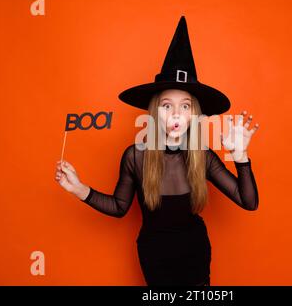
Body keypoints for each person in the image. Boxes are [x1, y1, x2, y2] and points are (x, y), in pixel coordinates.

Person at [55, 16, 260, 286]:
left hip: (195, 252)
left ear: (193, 114)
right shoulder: (135, 156)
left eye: (185, 106)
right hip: (154, 254)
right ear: (155, 112)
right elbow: (119, 207)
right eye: (167, 106)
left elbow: (249, 202)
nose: (176, 114)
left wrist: (241, 157)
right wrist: (79, 189)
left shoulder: (202, 155)